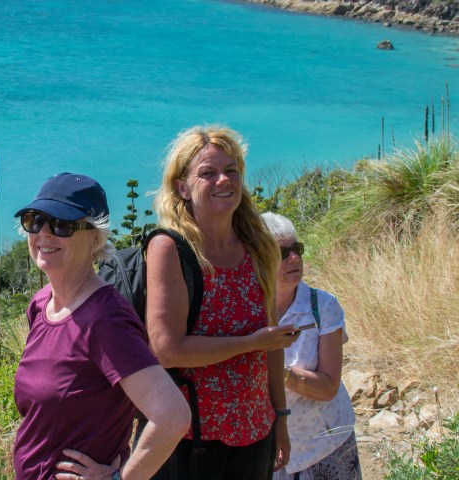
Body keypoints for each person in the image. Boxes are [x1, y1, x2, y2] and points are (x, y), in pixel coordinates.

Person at [12, 173, 191, 480]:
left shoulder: (105, 320)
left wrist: (120, 478)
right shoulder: (42, 304)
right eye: (35, 220)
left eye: (62, 225)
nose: (44, 233)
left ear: (95, 237)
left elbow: (173, 416)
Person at [146, 125, 301, 479]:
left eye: (231, 171)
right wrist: (250, 344)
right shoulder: (170, 249)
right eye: (208, 172)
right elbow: (168, 350)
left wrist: (280, 418)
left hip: (255, 432)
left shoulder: (257, 246)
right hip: (191, 439)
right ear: (182, 187)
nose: (223, 180)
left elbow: (272, 344)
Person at [261, 212, 362, 480]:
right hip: (273, 456)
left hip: (326, 446)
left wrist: (276, 369)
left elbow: (328, 387)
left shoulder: (323, 306)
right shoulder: (250, 314)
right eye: (283, 253)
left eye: (297, 249)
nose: (294, 258)